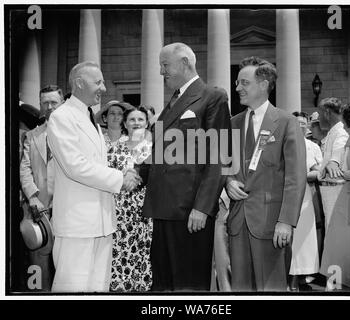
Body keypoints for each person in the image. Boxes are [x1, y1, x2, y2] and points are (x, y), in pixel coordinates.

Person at [142, 42, 230, 291]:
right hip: (164, 209)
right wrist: (136, 174)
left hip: (190, 212)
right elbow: (160, 153)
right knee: (164, 283)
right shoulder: (173, 102)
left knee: (188, 285)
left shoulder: (213, 97)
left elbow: (219, 157)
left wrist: (202, 207)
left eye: (165, 65)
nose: (161, 72)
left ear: (185, 63)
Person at [47, 61, 141, 292]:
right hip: (77, 224)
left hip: (102, 221)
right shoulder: (62, 116)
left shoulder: (90, 119)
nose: (104, 88)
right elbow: (75, 166)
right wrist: (120, 178)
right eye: (98, 82)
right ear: (79, 83)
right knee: (72, 288)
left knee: (98, 288)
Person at [225, 56, 306, 291]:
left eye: (244, 83)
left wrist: (286, 221)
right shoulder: (232, 123)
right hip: (238, 223)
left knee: (271, 289)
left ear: (263, 84)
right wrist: (228, 181)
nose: (237, 87)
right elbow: (222, 165)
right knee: (241, 288)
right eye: (237, 82)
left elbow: (296, 177)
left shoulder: (286, 121)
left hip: (272, 224)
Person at [100, 102, 153, 292]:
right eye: (132, 119)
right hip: (117, 209)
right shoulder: (114, 148)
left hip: (143, 211)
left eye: (140, 119)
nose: (136, 122)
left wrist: (136, 179)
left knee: (141, 251)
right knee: (117, 252)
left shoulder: (153, 148)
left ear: (147, 123)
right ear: (126, 123)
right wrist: (124, 179)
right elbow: (106, 175)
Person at [19, 85, 65, 291]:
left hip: (69, 210)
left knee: (67, 269)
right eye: (45, 102)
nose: (49, 107)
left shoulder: (76, 133)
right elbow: (25, 170)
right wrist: (33, 196)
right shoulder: (31, 135)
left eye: (53, 102)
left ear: (62, 103)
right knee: (38, 269)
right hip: (38, 211)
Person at [320, 102, 350, 291]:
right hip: (347, 194)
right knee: (338, 241)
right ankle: (341, 284)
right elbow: (343, 167)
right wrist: (345, 174)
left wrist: (346, 174)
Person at [288, 112, 321, 291]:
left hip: (306, 196)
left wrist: (309, 174)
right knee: (291, 236)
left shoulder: (312, 147)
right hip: (288, 195)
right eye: (297, 122)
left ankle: (302, 275)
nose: (301, 125)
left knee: (304, 238)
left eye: (303, 123)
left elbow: (320, 169)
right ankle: (290, 276)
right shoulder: (286, 142)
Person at [317, 97, 349, 231]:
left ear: (327, 112)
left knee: (335, 231)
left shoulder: (340, 132)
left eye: (319, 114)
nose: (318, 118)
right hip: (329, 192)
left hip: (335, 193)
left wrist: (333, 162)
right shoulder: (332, 132)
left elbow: (335, 158)